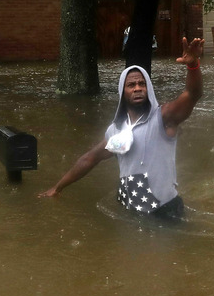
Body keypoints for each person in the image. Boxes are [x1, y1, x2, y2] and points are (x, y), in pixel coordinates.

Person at [38, 37, 205, 217]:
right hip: (130, 207)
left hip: (164, 210)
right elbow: (90, 159)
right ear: (122, 92)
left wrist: (193, 65)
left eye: (142, 84)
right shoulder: (116, 130)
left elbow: (192, 94)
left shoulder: (164, 118)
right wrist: (57, 188)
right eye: (131, 85)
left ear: (148, 88)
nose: (137, 88)